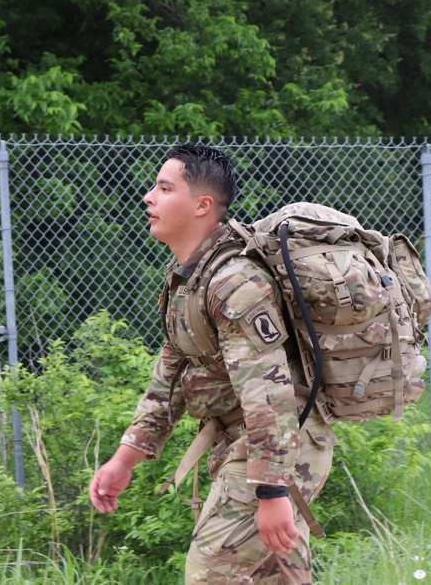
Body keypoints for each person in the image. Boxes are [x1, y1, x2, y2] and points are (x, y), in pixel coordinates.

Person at [88, 144, 336, 584]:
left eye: (165, 188)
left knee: (209, 575)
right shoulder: (188, 279)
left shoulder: (233, 283)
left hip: (278, 451)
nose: (148, 197)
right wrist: (124, 459)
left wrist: (272, 489)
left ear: (203, 206)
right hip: (254, 450)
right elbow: (168, 379)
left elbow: (268, 391)